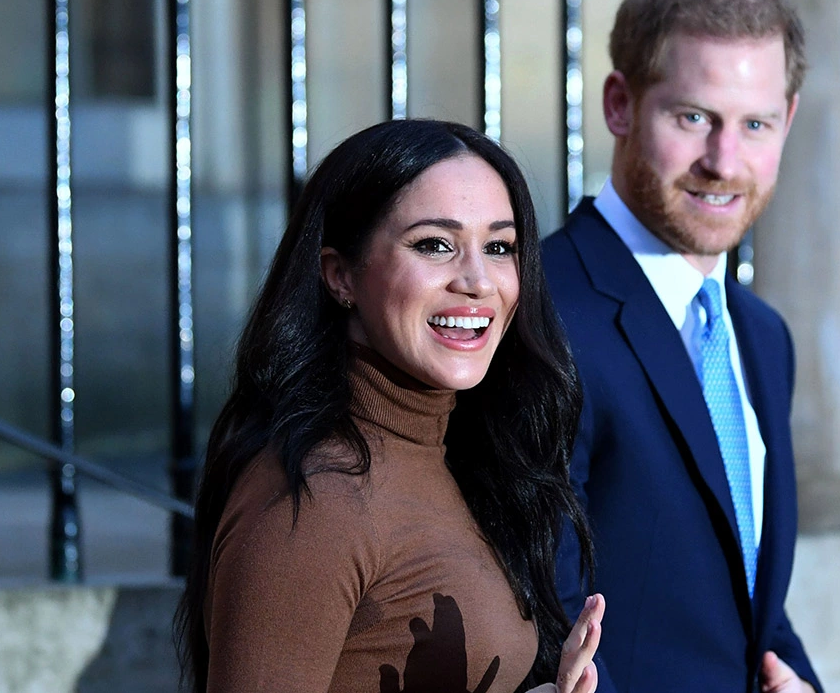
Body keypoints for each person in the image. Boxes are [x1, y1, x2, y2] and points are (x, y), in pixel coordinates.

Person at [175, 119, 605, 693]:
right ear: (340, 276)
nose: (478, 281)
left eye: (499, 247)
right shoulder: (315, 498)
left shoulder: (460, 456)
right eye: (434, 245)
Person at [543, 0, 821, 692]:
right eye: (694, 117)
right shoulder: (542, 311)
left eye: (755, 124)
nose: (724, 162)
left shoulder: (762, 337)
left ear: (788, 120)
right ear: (620, 104)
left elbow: (746, 603)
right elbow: (542, 612)